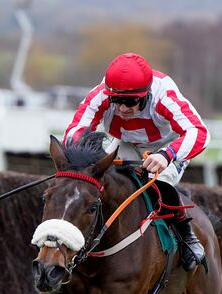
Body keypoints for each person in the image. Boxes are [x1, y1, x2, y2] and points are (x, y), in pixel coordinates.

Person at [63, 52, 210, 272]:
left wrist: (167, 155)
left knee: (157, 184)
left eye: (130, 102)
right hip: (126, 142)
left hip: (166, 147)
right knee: (101, 181)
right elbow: (74, 131)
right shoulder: (101, 94)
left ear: (146, 94)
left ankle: (187, 235)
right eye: (116, 101)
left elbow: (199, 132)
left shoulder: (164, 96)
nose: (122, 108)